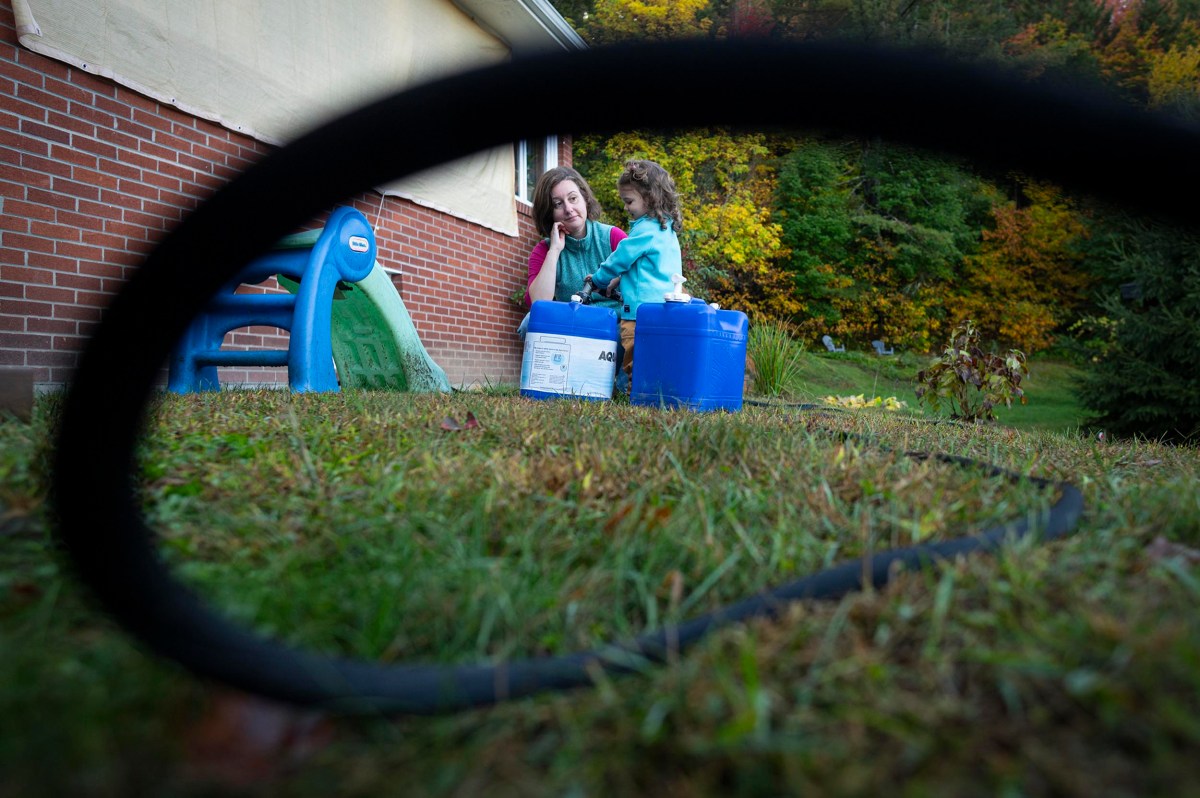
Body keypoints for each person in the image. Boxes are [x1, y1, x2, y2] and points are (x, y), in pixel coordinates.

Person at [588, 159, 683, 386]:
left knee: (634, 360)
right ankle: (653, 393)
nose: (626, 207)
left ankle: (638, 394)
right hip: (662, 311)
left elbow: (619, 259)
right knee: (654, 359)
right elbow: (646, 270)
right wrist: (617, 281)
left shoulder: (644, 230)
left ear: (649, 199)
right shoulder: (665, 229)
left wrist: (599, 279)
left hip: (638, 314)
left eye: (629, 201)